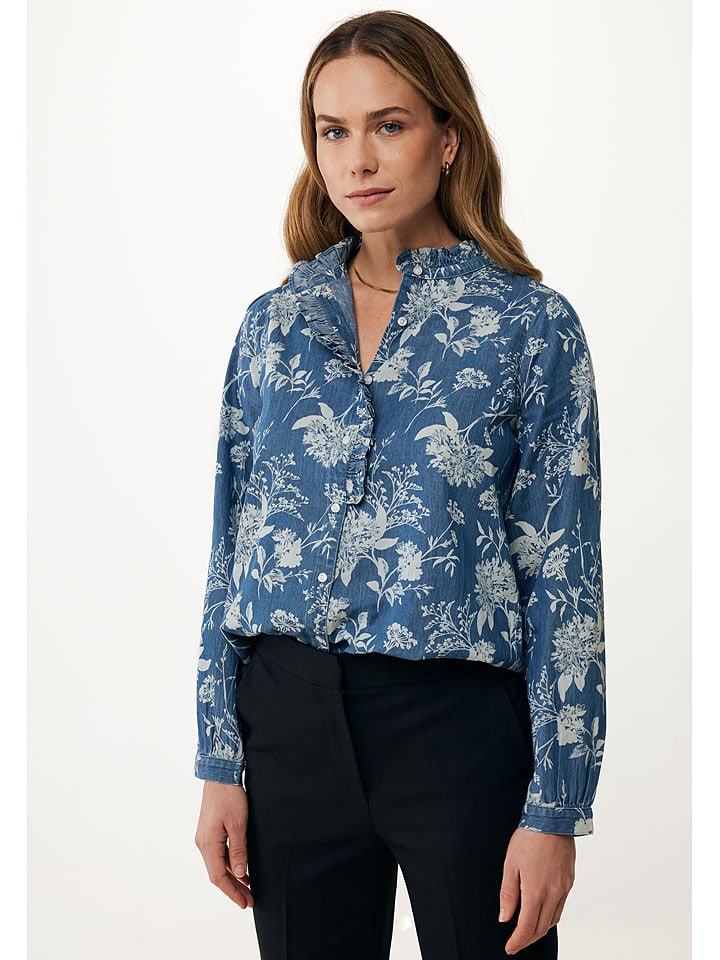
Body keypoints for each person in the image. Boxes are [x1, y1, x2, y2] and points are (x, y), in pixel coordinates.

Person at [193, 10, 606, 960]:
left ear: (448, 137)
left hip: (455, 728)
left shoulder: (530, 327)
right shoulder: (274, 325)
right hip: (288, 724)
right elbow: (231, 547)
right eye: (333, 131)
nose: (359, 160)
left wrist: (556, 807)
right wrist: (220, 757)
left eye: (389, 124)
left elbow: (566, 576)